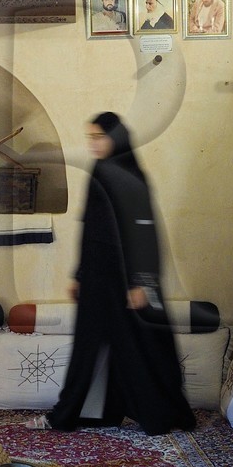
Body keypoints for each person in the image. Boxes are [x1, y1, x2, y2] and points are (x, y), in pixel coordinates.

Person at [27, 113, 195, 435]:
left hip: (126, 283)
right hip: (97, 279)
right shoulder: (99, 173)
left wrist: (141, 282)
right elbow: (90, 228)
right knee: (87, 348)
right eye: (90, 138)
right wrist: (79, 274)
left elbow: (144, 231)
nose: (93, 144)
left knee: (143, 348)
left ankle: (162, 414)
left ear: (115, 138)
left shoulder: (132, 176)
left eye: (98, 137)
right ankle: (69, 415)